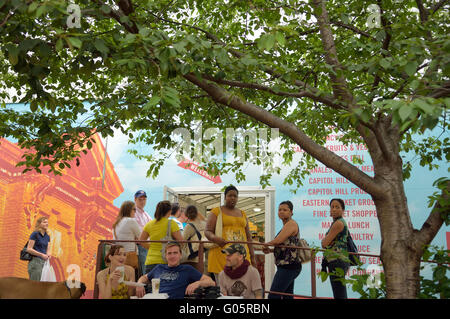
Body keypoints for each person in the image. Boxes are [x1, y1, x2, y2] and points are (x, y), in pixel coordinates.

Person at [205, 185, 256, 280]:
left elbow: (248, 237)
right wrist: (215, 239)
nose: (232, 198)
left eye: (235, 196)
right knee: (224, 290)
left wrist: (253, 257)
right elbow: (207, 231)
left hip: (241, 257)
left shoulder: (243, 213)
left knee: (242, 288)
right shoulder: (216, 211)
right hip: (221, 256)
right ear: (225, 197)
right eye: (230, 195)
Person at [135, 242, 215, 299]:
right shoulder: (159, 268)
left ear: (180, 255)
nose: (172, 256)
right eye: (169, 253)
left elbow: (211, 282)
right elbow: (144, 277)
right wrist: (139, 284)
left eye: (175, 253)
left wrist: (198, 283)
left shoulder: (187, 269)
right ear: (165, 256)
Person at [263, 201, 302, 299]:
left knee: (273, 296)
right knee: (287, 296)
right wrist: (271, 250)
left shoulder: (291, 224)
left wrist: (266, 244)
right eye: (280, 210)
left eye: (285, 210)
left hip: (289, 266)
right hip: (288, 265)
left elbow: (278, 240)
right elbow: (286, 246)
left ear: (291, 212)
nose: (281, 212)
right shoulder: (286, 225)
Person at [138, 200, 183, 274]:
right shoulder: (171, 223)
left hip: (150, 261)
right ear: (169, 211)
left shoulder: (149, 224)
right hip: (166, 261)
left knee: (151, 285)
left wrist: (151, 247)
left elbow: (141, 240)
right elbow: (181, 241)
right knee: (166, 285)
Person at [321, 198, 349, 299]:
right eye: (332, 207)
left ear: (343, 210)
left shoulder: (338, 223)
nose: (334, 209)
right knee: (339, 292)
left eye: (337, 207)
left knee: (339, 293)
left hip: (338, 260)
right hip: (337, 260)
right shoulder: (337, 222)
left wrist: (326, 241)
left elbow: (324, 244)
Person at [112, 201, 141, 271]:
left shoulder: (117, 222)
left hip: (117, 255)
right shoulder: (130, 221)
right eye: (134, 209)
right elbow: (141, 237)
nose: (135, 212)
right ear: (128, 210)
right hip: (129, 255)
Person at [182, 205, 206, 271]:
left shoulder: (189, 226)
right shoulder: (204, 224)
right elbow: (206, 219)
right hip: (202, 256)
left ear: (186, 214)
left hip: (191, 257)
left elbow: (182, 241)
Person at [133, 190, 152, 277]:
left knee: (148, 268)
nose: (142, 201)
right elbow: (138, 233)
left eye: (144, 199)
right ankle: (144, 288)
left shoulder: (146, 214)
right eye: (140, 199)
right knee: (145, 269)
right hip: (141, 246)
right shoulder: (134, 213)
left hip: (147, 245)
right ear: (135, 199)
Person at [26, 216, 51, 281]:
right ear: (39, 224)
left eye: (47, 222)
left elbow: (48, 249)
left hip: (44, 263)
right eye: (44, 222)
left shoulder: (47, 237)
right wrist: (41, 255)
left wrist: (48, 255)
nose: (47, 224)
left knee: (43, 286)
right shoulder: (35, 234)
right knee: (35, 286)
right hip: (35, 262)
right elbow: (29, 249)